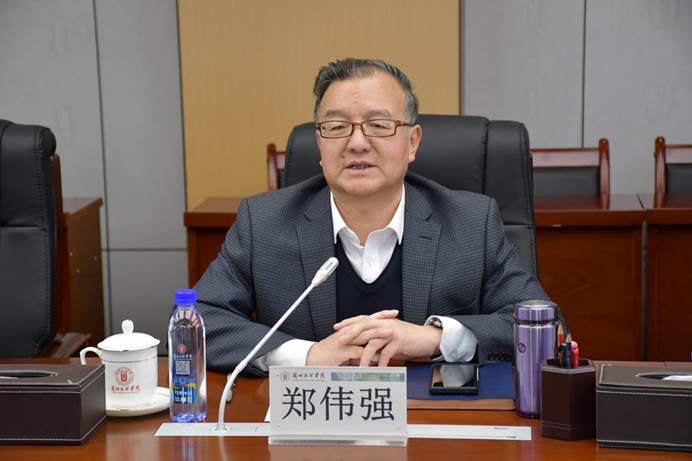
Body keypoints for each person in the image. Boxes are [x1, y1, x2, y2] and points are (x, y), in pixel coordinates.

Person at [195, 58, 550, 376]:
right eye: (337, 127)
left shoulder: (470, 222)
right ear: (320, 144)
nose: (357, 143)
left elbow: (544, 325)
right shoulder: (265, 222)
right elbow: (196, 321)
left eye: (378, 125)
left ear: (413, 142)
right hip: (309, 419)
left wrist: (433, 338)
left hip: (430, 420)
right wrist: (307, 356)